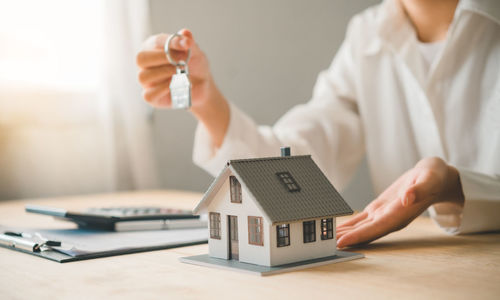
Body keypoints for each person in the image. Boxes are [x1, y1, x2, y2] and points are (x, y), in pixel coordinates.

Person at [136, 0, 500, 248]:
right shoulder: (366, 35)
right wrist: (208, 103)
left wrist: (457, 186)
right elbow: (299, 165)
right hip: (409, 276)